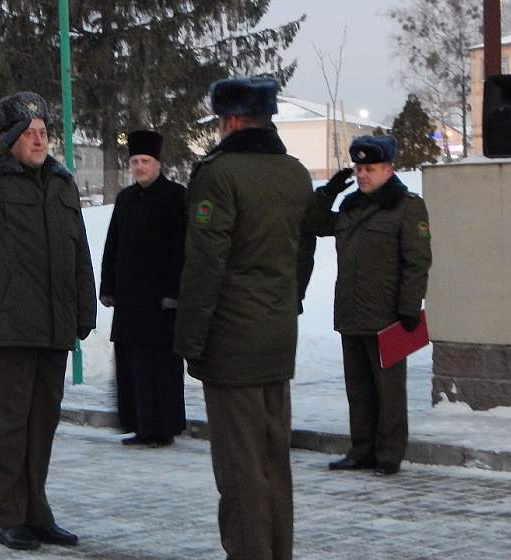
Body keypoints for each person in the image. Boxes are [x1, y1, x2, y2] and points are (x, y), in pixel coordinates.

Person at [0, 91, 96, 551]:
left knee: (43, 423)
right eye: (27, 134)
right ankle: (11, 516)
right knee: (12, 424)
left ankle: (38, 513)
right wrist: (0, 145)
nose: (38, 140)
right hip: (11, 323)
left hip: (54, 323)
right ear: (8, 139)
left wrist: (84, 307)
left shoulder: (62, 183)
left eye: (43, 132)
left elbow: (78, 252)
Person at [174, 77, 316, 560]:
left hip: (232, 342)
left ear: (230, 120)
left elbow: (204, 265)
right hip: (277, 336)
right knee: (275, 462)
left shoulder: (219, 174)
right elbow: (304, 252)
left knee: (240, 471)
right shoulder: (295, 173)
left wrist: (190, 341)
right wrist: (285, 303)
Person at [306, 135, 432, 477]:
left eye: (370, 168)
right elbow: (315, 224)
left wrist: (409, 306)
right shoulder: (351, 205)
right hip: (351, 311)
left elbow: (417, 261)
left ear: (388, 169)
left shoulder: (407, 206)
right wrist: (330, 190)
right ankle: (361, 449)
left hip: (387, 314)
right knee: (358, 389)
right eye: (359, 168)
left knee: (388, 391)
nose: (362, 175)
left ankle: (389, 454)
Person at [99, 130, 187, 448]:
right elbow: (113, 245)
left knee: (160, 367)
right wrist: (107, 286)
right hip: (129, 301)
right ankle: (139, 424)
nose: (139, 167)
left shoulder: (177, 197)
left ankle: (162, 427)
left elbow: (181, 248)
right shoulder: (125, 199)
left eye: (145, 161)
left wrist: (174, 292)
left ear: (157, 163)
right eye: (135, 161)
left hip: (161, 302)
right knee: (132, 366)